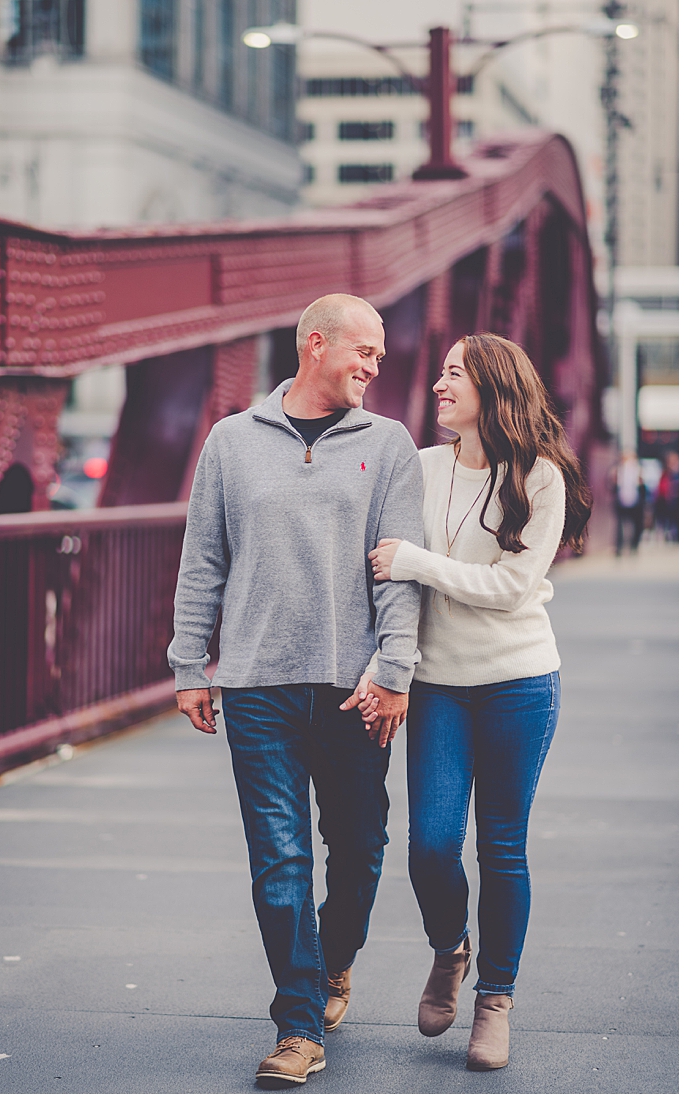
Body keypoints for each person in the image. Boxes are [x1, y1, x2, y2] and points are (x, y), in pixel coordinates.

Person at [167, 293, 424, 1088]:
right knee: (278, 859)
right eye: (366, 352)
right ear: (317, 344)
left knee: (359, 849)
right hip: (257, 685)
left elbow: (399, 567)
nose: (375, 367)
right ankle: (299, 1024)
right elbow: (203, 558)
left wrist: (394, 668)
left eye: (380, 356)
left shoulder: (388, 444)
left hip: (355, 690)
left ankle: (332, 959)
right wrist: (188, 665)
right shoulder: (232, 441)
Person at [359, 333, 591, 1071]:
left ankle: (496, 997)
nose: (437, 384)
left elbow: (512, 588)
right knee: (429, 842)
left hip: (519, 683)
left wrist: (417, 560)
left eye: (454, 373)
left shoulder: (541, 477)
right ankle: (450, 946)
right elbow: (382, 569)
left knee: (502, 845)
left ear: (493, 386)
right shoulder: (420, 468)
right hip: (438, 687)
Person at [612, 451, 645, 553]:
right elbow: (612, 485)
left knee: (636, 525)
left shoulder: (639, 470)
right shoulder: (617, 470)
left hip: (636, 502)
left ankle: (634, 545)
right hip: (621, 501)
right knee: (620, 526)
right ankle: (620, 547)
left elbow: (643, 488)